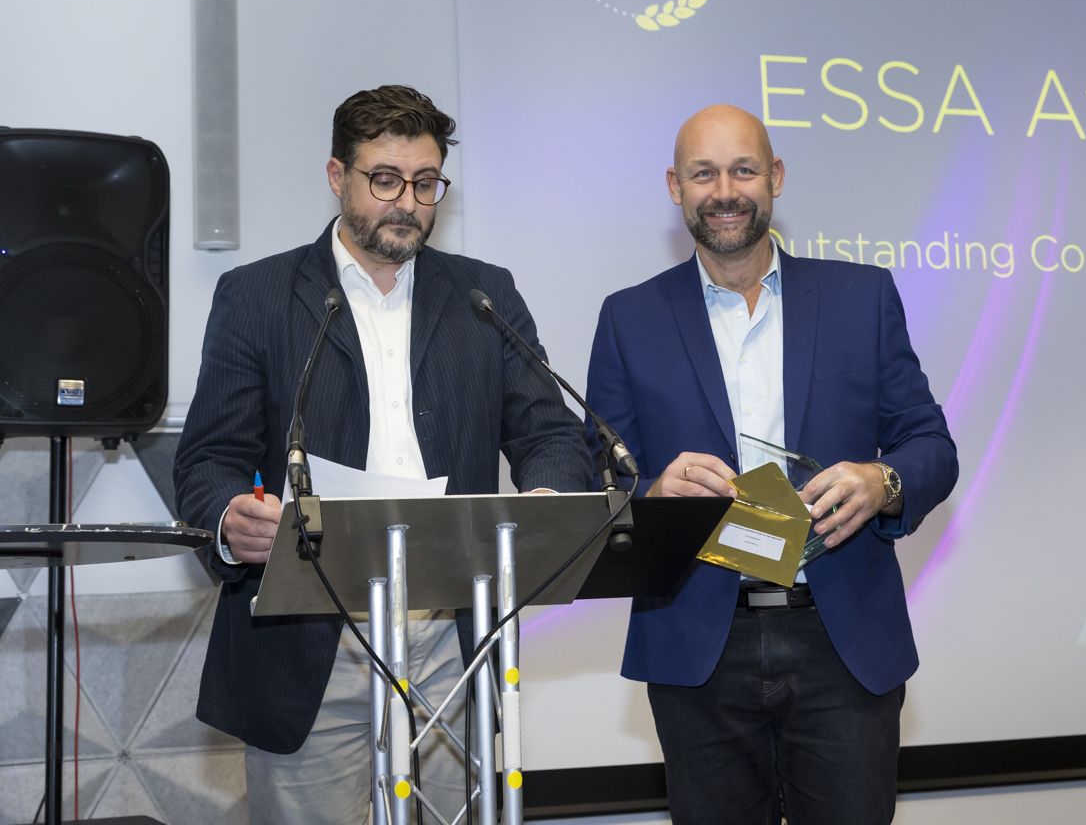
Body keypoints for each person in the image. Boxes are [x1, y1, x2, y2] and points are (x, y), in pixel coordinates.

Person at [174, 84, 593, 824]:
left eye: (426, 183)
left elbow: (550, 435)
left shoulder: (484, 295)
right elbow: (208, 459)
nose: (407, 202)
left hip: (455, 638)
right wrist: (230, 518)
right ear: (338, 177)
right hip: (309, 639)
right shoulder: (258, 295)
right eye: (386, 180)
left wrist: (545, 505)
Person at [584, 104, 959, 824]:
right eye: (703, 174)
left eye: (743, 170)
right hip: (698, 644)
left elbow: (930, 447)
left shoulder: (861, 296)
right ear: (675, 186)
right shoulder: (629, 318)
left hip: (842, 640)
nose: (724, 191)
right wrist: (654, 489)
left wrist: (881, 481)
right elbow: (596, 476)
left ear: (776, 177)